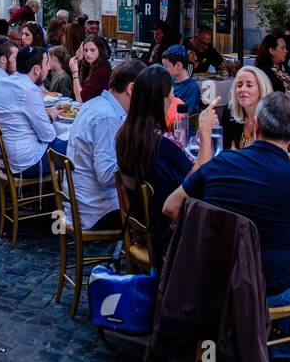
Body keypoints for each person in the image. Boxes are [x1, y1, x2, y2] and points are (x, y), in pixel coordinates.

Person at [163, 92, 290, 362]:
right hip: (268, 283)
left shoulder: (221, 163)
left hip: (213, 273)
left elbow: (170, 207)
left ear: (256, 124)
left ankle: (279, 341)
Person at [115, 65, 219, 257]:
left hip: (147, 224)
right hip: (170, 232)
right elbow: (200, 178)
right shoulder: (161, 145)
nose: (173, 99)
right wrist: (205, 133)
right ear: (160, 99)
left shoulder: (125, 135)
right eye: (170, 93)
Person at [65, 59, 147, 229]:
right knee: (157, 209)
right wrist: (140, 160)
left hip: (80, 201)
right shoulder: (108, 117)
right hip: (96, 210)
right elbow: (107, 175)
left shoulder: (94, 104)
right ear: (131, 89)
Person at [0, 46, 57, 178]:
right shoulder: (30, 90)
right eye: (46, 63)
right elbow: (48, 136)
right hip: (24, 163)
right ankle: (71, 195)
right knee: (73, 145)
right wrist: (51, 119)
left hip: (2, 158)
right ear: (37, 69)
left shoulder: (1, 83)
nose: (48, 68)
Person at [219, 65, 273, 149]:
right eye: (239, 85)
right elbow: (224, 149)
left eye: (249, 85)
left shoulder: (274, 117)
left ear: (262, 89)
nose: (242, 89)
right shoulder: (230, 112)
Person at [70, 35, 112, 103]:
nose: (88, 54)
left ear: (100, 51)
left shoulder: (102, 70)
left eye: (92, 50)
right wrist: (78, 59)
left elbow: (81, 99)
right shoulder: (89, 64)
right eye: (85, 50)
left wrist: (74, 72)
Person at [161, 44, 201, 114]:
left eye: (166, 66)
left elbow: (185, 115)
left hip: (179, 123)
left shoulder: (192, 87)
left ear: (178, 65)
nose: (164, 69)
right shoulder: (170, 81)